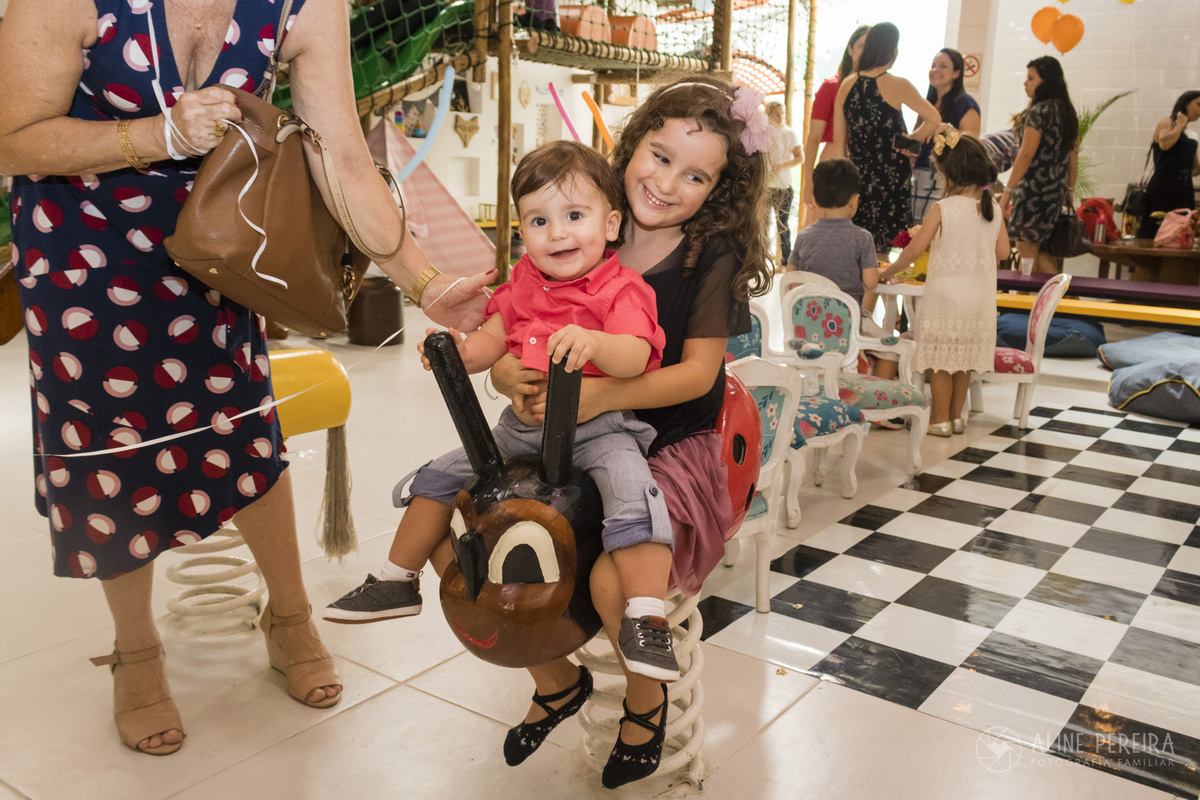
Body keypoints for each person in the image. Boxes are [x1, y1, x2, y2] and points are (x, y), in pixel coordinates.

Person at [0, 0, 493, 757]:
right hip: (85, 244)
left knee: (244, 420)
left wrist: (427, 287)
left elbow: (341, 158)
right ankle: (136, 650)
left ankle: (288, 615)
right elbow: (12, 138)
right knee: (110, 450)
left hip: (221, 238)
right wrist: (157, 135)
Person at [386, 75, 769, 789]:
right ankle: (556, 678)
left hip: (670, 444)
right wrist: (505, 377)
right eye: (657, 156)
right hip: (561, 431)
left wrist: (595, 399)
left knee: (605, 574)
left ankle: (645, 703)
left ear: (717, 189)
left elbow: (696, 377)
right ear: (631, 145)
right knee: (465, 539)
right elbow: (511, 329)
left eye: (694, 175)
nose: (665, 182)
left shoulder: (705, 254)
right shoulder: (576, 218)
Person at [325, 140, 684, 683]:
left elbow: (636, 356)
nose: (558, 233)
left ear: (611, 225)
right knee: (440, 476)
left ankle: (644, 615)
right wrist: (451, 351)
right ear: (520, 230)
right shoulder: (521, 286)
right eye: (539, 220)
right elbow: (487, 345)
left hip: (602, 430)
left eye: (574, 216)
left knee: (633, 491)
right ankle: (396, 578)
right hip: (523, 430)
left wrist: (595, 344)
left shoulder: (622, 289)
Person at [881, 130, 1008, 436]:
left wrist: (888, 272)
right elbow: (1003, 252)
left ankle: (939, 420)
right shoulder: (994, 209)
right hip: (978, 301)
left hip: (946, 299)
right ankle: (957, 418)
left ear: (948, 173)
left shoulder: (943, 209)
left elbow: (914, 250)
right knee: (963, 361)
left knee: (941, 362)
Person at [830, 21, 941, 260]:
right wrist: (911, 141)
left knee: (858, 249)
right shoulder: (898, 84)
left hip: (857, 179)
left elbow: (840, 144)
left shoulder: (847, 85)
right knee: (881, 252)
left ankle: (860, 296)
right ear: (893, 51)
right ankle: (874, 296)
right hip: (891, 179)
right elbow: (933, 118)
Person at [1000, 55, 1079, 276]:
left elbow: (1025, 155)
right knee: (1040, 251)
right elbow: (1074, 154)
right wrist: (1070, 188)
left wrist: (1008, 191)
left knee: (1026, 251)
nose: (1025, 83)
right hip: (1054, 191)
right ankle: (1057, 297)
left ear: (1046, 81)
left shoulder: (1039, 111)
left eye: (1031, 78)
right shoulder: (1067, 112)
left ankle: (1054, 297)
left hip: (1033, 191)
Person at [801, 25, 870, 230]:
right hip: (832, 164)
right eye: (861, 46)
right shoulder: (831, 85)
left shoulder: (875, 89)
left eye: (871, 47)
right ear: (850, 49)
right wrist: (808, 183)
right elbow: (813, 138)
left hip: (864, 165)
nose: (866, 52)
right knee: (819, 230)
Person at [787, 159, 879, 310]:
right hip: (847, 327)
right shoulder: (862, 238)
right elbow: (871, 282)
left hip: (807, 323)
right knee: (882, 334)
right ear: (854, 200)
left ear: (814, 200)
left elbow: (790, 277)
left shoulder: (803, 237)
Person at [911, 48, 982, 222]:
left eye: (943, 66)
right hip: (920, 176)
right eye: (933, 65)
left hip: (945, 178)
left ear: (957, 73)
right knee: (916, 232)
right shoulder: (927, 105)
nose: (935, 70)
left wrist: (947, 129)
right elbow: (918, 139)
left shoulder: (965, 104)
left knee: (935, 234)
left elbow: (972, 144)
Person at [1137, 90, 1200, 239]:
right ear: (1186, 103)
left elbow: (1195, 167)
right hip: (1162, 188)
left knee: (1181, 234)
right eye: (1198, 104)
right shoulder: (1167, 123)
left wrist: (1183, 173)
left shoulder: (1192, 135)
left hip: (1184, 191)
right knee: (1155, 232)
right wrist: (1180, 125)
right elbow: (1165, 144)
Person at [765, 101, 803, 264]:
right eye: (777, 113)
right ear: (769, 114)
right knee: (762, 224)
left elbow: (800, 157)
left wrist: (782, 166)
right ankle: (761, 257)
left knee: (783, 225)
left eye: (783, 113)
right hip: (765, 185)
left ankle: (786, 261)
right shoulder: (763, 133)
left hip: (784, 186)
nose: (781, 117)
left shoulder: (790, 134)